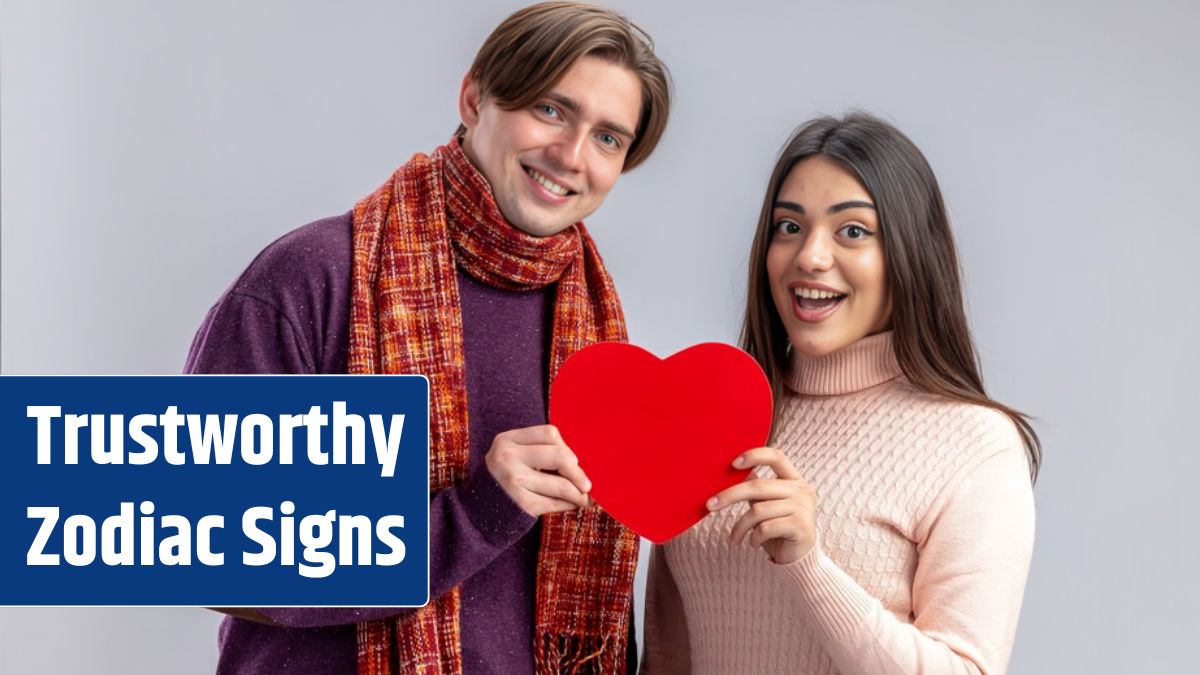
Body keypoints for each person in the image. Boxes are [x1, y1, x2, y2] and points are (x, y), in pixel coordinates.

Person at [184, 3, 671, 674]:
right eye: (551, 110)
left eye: (608, 138)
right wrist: (474, 514)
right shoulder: (309, 280)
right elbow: (211, 559)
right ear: (475, 97)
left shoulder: (593, 330)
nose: (572, 155)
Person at [641, 113, 1040, 675]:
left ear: (908, 255)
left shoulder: (974, 445)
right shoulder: (715, 416)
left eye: (852, 231)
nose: (810, 256)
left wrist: (808, 564)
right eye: (789, 227)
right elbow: (667, 656)